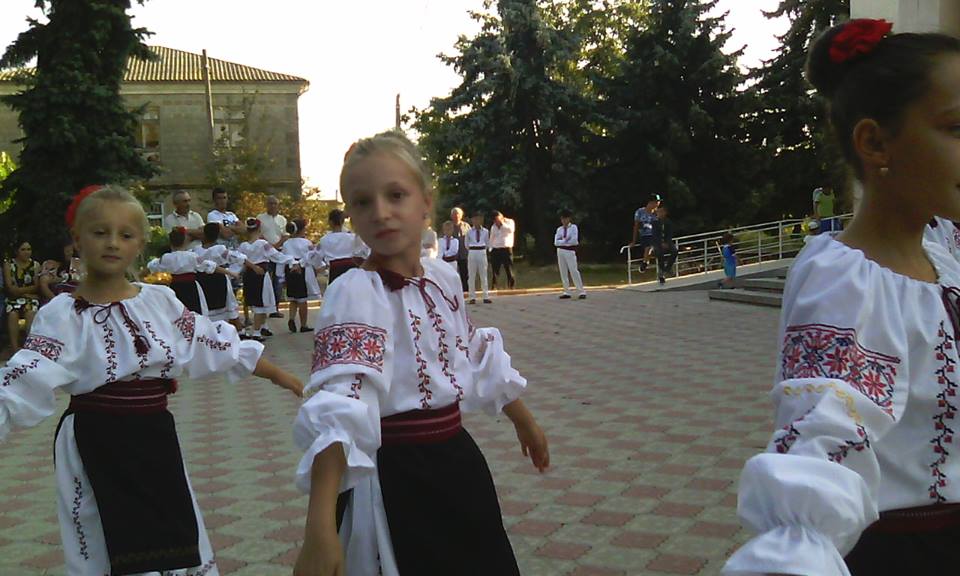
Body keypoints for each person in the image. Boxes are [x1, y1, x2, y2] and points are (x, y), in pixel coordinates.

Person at [723, 20, 960, 575]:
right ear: (875, 142)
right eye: (957, 128)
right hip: (911, 554)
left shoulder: (943, 249)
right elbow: (821, 442)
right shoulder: (849, 283)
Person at [0, 184, 302, 576]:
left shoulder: (159, 302)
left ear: (140, 243)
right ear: (77, 239)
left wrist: (278, 374)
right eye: (100, 232)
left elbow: (212, 343)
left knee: (172, 537)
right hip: (95, 439)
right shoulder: (62, 314)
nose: (113, 243)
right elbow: (23, 378)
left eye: (125, 235)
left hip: (153, 435)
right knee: (106, 539)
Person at [292, 131, 548, 576]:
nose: (380, 212)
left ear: (426, 203)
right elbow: (341, 403)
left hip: (457, 461)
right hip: (395, 477)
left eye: (395, 195)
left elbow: (472, 350)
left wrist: (522, 417)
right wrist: (320, 524)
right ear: (350, 215)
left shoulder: (443, 278)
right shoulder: (354, 292)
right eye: (362, 202)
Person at [238, 218, 295, 340]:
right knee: (262, 302)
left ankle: (263, 326)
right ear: (259, 229)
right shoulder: (263, 244)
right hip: (261, 274)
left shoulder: (243, 246)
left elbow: (239, 261)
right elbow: (276, 255)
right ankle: (256, 332)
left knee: (256, 301)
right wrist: (292, 260)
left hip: (248, 275)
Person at [147, 227, 223, 315]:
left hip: (173, 288)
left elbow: (151, 267)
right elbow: (209, 266)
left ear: (171, 242)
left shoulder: (165, 258)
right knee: (194, 311)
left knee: (176, 312)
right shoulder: (192, 256)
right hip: (190, 288)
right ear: (185, 241)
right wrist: (231, 273)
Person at [193, 222, 248, 333]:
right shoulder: (219, 249)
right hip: (218, 278)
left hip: (201, 280)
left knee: (208, 305)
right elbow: (238, 258)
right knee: (228, 304)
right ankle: (233, 330)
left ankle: (211, 331)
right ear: (218, 235)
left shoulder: (196, 250)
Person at [282, 219, 322, 333]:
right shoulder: (306, 242)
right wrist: (318, 266)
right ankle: (304, 324)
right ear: (301, 230)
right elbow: (311, 256)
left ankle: (291, 318)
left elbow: (283, 258)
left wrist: (281, 276)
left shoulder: (286, 243)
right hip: (303, 270)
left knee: (293, 298)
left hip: (289, 269)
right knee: (303, 299)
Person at [3, 240, 40, 352]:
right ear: (17, 251)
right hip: (14, 299)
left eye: (28, 249)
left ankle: (30, 348)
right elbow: (10, 288)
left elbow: (36, 286)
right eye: (23, 249)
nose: (26, 252)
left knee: (30, 312)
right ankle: (15, 349)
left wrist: (19, 291)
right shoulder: (9, 264)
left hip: (30, 299)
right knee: (13, 314)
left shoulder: (35, 265)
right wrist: (26, 293)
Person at [257, 195, 289, 319]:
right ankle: (263, 307)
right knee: (265, 279)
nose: (273, 206)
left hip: (279, 253)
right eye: (270, 203)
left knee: (278, 281)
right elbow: (258, 234)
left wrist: (276, 246)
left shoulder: (282, 219)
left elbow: (285, 235)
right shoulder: (260, 218)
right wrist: (269, 246)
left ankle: (275, 308)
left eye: (275, 203)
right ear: (266, 205)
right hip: (265, 253)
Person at [320, 209, 366, 284]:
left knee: (336, 289)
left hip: (335, 270)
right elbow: (363, 251)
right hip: (350, 269)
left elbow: (317, 257)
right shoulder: (352, 237)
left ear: (330, 222)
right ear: (343, 221)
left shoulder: (324, 239)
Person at [38, 234, 83, 302]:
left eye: (72, 250)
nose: (71, 253)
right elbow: (43, 284)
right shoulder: (50, 264)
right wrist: (57, 301)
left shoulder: (77, 262)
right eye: (67, 251)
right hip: (56, 300)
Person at [555, 210, 587, 300]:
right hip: (560, 251)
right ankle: (566, 291)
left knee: (573, 270)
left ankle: (581, 291)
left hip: (570, 251)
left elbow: (574, 241)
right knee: (563, 271)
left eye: (565, 218)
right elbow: (556, 242)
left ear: (569, 219)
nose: (563, 221)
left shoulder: (573, 228)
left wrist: (562, 241)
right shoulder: (559, 229)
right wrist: (565, 241)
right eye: (562, 219)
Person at [466, 211, 491, 304]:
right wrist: (472, 249)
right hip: (472, 251)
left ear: (481, 220)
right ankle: (472, 297)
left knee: (483, 274)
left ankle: (486, 296)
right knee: (471, 275)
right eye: (474, 219)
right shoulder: (469, 232)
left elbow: (487, 243)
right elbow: (466, 244)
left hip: (482, 251)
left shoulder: (485, 231)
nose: (476, 221)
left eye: (478, 219)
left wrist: (483, 249)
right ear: (472, 220)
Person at [488, 210, 516, 290]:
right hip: (496, 249)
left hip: (506, 248)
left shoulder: (510, 222)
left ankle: (511, 286)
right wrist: (490, 248)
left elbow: (511, 230)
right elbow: (492, 238)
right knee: (495, 269)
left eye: (497, 219)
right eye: (494, 220)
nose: (496, 222)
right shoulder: (493, 227)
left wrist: (502, 223)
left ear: (501, 217)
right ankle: (494, 286)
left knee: (508, 268)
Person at [446, 206, 472, 291]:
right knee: (453, 275)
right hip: (452, 256)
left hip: (464, 254)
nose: (456, 216)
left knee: (465, 275)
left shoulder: (466, 226)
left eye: (458, 214)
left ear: (461, 215)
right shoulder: (448, 226)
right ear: (451, 216)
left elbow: (471, 238)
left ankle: (466, 291)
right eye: (454, 214)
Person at [631, 196, 660, 272]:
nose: (658, 204)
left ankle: (646, 262)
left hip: (654, 235)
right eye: (656, 202)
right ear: (651, 202)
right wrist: (634, 241)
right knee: (649, 245)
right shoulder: (640, 212)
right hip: (645, 235)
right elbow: (636, 226)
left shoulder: (656, 213)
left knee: (654, 244)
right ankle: (645, 262)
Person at [652, 204, 676, 285]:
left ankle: (668, 268)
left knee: (674, 251)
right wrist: (660, 243)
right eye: (658, 212)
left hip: (667, 241)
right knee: (659, 253)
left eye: (661, 212)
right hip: (657, 243)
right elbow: (654, 235)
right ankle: (661, 273)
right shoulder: (654, 222)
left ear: (665, 213)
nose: (660, 213)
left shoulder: (668, 222)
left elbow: (670, 234)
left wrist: (666, 242)